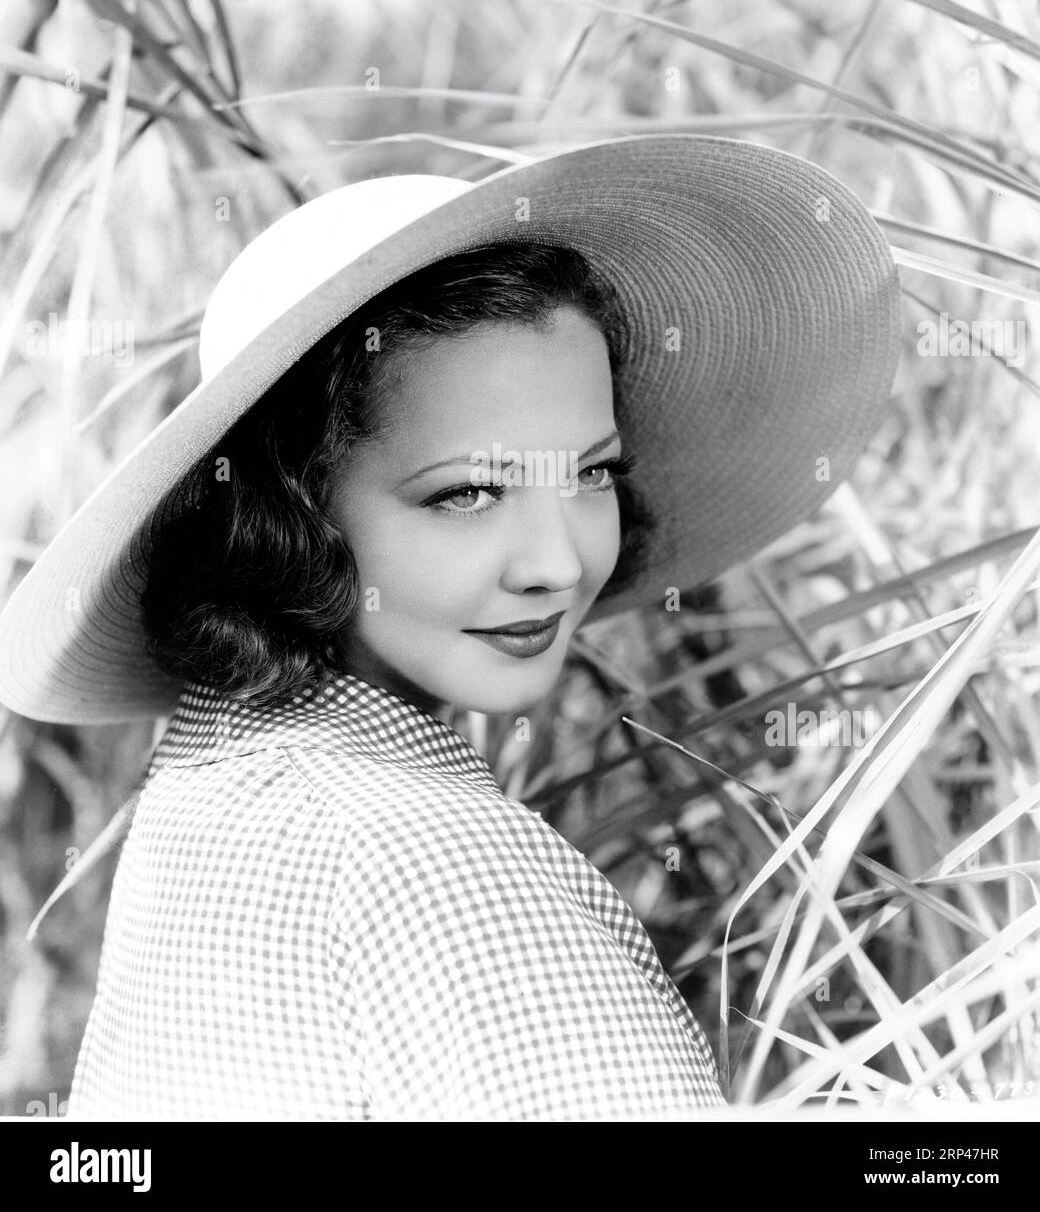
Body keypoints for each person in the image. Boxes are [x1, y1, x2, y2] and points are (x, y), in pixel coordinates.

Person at [0, 135, 899, 1120]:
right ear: (292, 516)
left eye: (592, 473)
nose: (555, 562)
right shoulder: (439, 864)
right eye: (468, 491)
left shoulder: (214, 778)